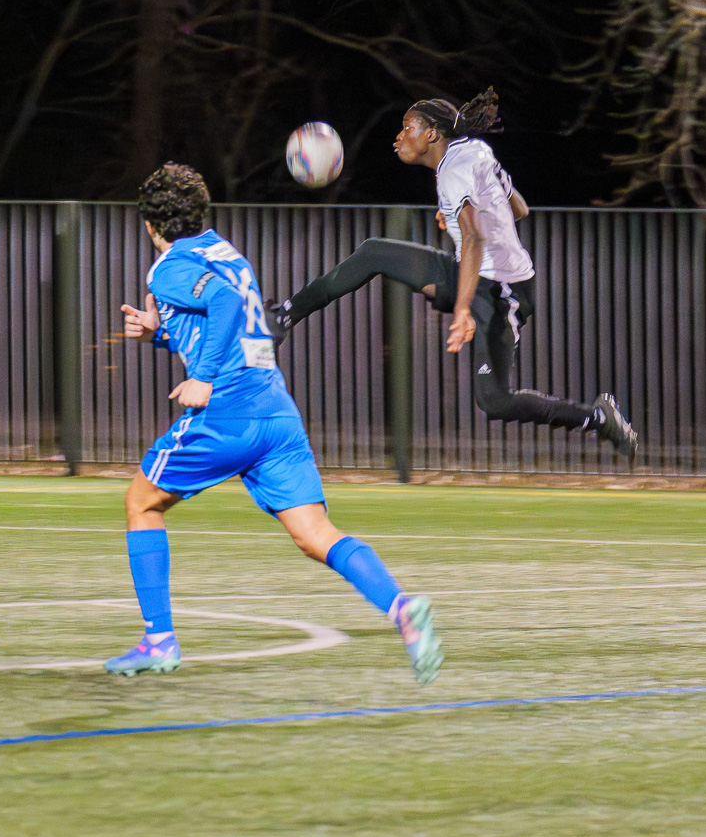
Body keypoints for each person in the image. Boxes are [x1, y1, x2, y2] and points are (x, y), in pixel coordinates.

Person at [106, 163, 443, 684]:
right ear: (201, 212)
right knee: (314, 534)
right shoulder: (227, 253)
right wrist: (161, 332)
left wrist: (204, 379)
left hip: (228, 414)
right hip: (275, 411)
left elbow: (219, 303)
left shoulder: (169, 267)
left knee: (141, 503)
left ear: (151, 225)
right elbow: (236, 320)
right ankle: (401, 608)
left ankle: (158, 640)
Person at [268, 89, 638, 456]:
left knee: (495, 400)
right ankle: (284, 315)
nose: (399, 136)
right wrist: (466, 216)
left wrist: (462, 308)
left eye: (407, 128)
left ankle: (596, 418)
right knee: (373, 253)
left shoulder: (453, 170)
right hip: (471, 273)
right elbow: (519, 209)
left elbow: (474, 237)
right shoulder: (474, 152)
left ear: (431, 134)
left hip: (501, 292)